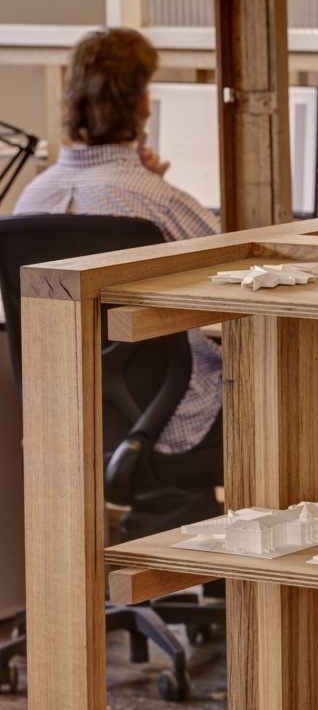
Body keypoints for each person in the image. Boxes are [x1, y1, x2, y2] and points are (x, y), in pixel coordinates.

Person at [15, 26, 222, 459]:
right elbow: (239, 274)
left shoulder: (33, 199)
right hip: (174, 419)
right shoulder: (156, 201)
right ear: (143, 103)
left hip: (74, 418)